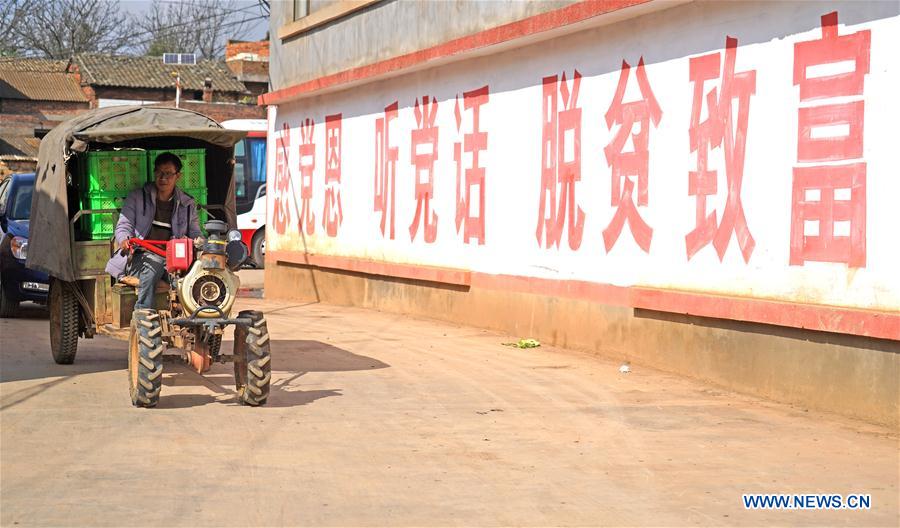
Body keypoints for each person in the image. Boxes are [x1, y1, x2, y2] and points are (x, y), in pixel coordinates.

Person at [105, 152, 202, 310]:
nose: (163, 178)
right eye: (159, 172)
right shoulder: (137, 197)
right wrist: (124, 240)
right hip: (138, 256)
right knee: (154, 263)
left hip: (173, 260)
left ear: (178, 176)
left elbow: (195, 233)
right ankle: (143, 313)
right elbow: (124, 225)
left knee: (196, 275)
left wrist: (201, 244)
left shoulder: (187, 203)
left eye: (168, 174)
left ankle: (194, 320)